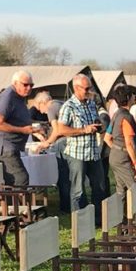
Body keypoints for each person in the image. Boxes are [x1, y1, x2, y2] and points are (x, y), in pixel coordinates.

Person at [39, 74, 108, 219]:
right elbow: (61, 129)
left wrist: (99, 127)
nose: (89, 91)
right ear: (76, 88)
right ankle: (80, 221)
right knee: (78, 190)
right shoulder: (68, 107)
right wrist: (84, 129)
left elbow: (94, 124)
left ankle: (99, 219)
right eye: (86, 88)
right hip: (77, 154)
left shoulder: (91, 104)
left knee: (100, 187)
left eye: (90, 88)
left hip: (93, 153)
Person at [0, 70, 43, 187]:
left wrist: (34, 128)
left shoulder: (18, 97)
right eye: (25, 85)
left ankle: (10, 204)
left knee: (12, 181)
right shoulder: (8, 97)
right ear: (15, 83)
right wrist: (23, 130)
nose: (29, 88)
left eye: (31, 85)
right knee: (21, 178)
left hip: (12, 146)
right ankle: (16, 205)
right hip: (6, 146)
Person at [31, 88, 70, 209]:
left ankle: (65, 205)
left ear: (42, 102)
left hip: (61, 143)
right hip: (68, 142)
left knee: (63, 176)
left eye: (39, 108)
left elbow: (57, 130)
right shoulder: (60, 103)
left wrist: (47, 142)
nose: (41, 112)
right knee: (69, 176)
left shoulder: (51, 108)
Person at [104, 84, 136, 199]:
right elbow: (129, 143)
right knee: (134, 188)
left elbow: (107, 138)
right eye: (132, 95)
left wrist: (117, 149)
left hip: (115, 156)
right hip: (123, 159)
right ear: (128, 98)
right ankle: (134, 216)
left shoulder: (117, 114)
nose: (134, 97)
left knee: (121, 191)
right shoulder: (126, 117)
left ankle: (120, 216)